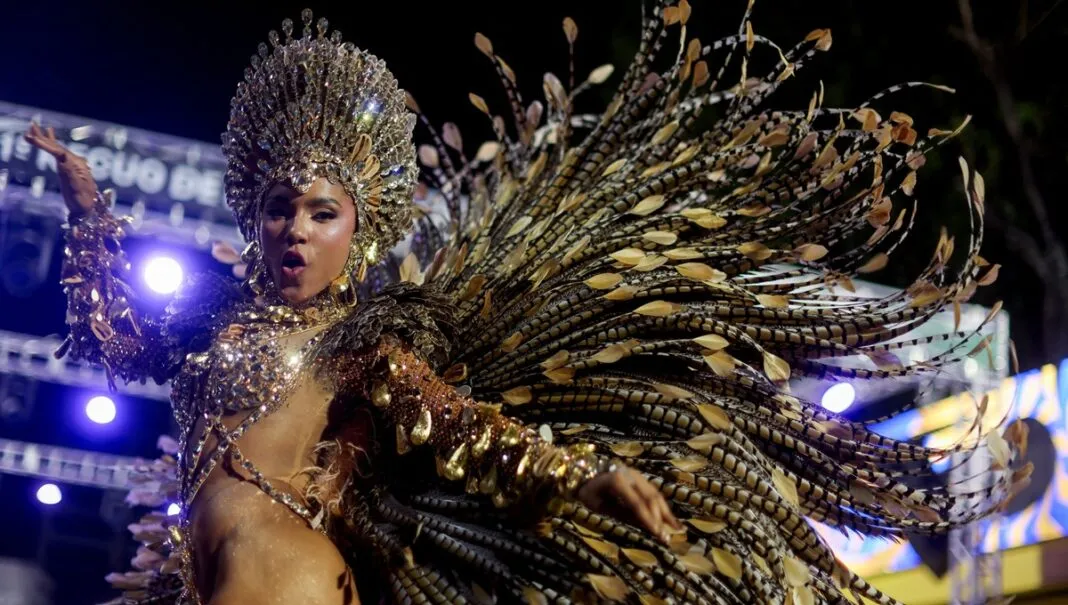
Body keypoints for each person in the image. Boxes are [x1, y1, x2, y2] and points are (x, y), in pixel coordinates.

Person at [27, 5, 1029, 605]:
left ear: (357, 233)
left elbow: (467, 431)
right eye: (280, 205)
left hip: (288, 578)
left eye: (321, 211)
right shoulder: (208, 327)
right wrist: (88, 214)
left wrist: (584, 476)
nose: (295, 226)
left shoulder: (363, 345)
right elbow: (109, 338)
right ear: (253, 217)